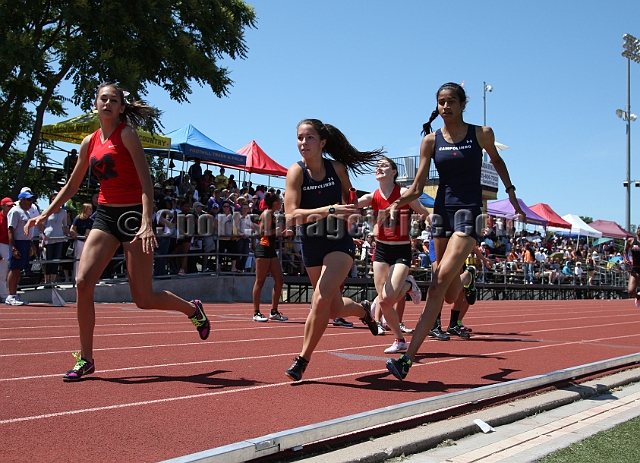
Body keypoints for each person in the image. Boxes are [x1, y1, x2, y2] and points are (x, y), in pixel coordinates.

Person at [26, 83, 210, 382]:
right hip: (106, 215)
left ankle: (192, 310)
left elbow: (146, 183)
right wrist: (46, 212)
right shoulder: (89, 141)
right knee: (83, 282)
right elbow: (73, 185)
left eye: (114, 100)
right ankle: (86, 358)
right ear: (96, 104)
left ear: (121, 107)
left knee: (144, 298)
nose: (108, 103)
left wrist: (147, 222)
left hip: (132, 217)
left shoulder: (127, 134)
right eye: (103, 99)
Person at [384, 82, 523, 380]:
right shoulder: (431, 142)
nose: (445, 107)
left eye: (450, 102)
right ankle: (467, 278)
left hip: (469, 215)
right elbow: (418, 187)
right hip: (441, 214)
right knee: (446, 293)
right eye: (441, 102)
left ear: (462, 105)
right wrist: (397, 204)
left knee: (436, 285)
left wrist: (510, 191)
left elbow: (497, 160)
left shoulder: (481, 134)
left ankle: (406, 361)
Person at [283, 118, 382, 381]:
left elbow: (349, 198)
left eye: (310, 138)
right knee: (334, 308)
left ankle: (302, 360)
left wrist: (351, 211)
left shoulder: (336, 168)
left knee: (320, 299)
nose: (304, 143)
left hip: (339, 242)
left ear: (322, 142)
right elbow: (291, 214)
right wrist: (329, 210)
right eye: (300, 138)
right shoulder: (296, 172)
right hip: (311, 243)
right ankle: (364, 310)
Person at [356, 156, 430, 353]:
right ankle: (399, 340)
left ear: (394, 172)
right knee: (383, 301)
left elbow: (423, 211)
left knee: (388, 296)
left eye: (384, 165)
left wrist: (433, 220)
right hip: (381, 250)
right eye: (377, 166)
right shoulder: (373, 196)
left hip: (401, 250)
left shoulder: (403, 193)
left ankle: (408, 284)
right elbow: (356, 202)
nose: (379, 168)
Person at [252, 193, 288, 322]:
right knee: (260, 281)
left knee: (279, 280)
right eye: (279, 200)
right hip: (263, 249)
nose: (281, 202)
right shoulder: (267, 213)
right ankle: (256, 313)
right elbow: (263, 232)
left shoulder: (272, 214)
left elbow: (271, 233)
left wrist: (282, 232)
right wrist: (277, 229)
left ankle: (274, 311)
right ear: (274, 202)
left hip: (271, 250)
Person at [6, 191, 38, 305]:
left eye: (31, 200)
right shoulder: (15, 211)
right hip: (18, 242)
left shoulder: (26, 212)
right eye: (28, 200)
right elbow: (11, 230)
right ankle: (11, 295)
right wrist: (13, 247)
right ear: (22, 200)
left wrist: (31, 243)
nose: (31, 202)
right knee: (14, 269)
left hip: (25, 243)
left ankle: (14, 294)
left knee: (19, 270)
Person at [42, 193, 70, 285]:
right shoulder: (47, 211)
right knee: (48, 259)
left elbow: (65, 225)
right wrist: (41, 235)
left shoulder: (63, 212)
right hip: (49, 237)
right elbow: (42, 225)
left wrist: (68, 232)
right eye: (53, 199)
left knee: (56, 259)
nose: (55, 201)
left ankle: (53, 281)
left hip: (59, 237)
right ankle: (46, 281)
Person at [0, 197, 14, 302]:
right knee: (3, 272)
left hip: (10, 245)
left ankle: (10, 293)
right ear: (2, 206)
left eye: (11, 205)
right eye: (8, 205)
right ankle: (4, 295)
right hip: (1, 245)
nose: (10, 207)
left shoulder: (11, 217)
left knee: (11, 270)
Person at [624, 228, 640, 306]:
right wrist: (625, 259)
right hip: (635, 269)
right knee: (630, 291)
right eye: (638, 228)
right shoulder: (631, 240)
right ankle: (638, 297)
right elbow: (625, 251)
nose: (639, 230)